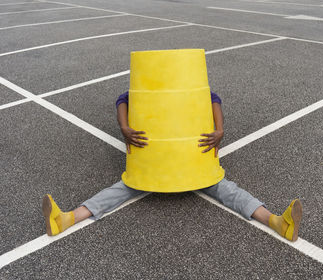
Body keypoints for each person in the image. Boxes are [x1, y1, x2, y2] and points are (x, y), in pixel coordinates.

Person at [42, 91, 302, 241]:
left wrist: (219, 129)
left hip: (191, 163)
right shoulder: (150, 90)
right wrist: (124, 128)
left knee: (227, 190)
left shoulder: (189, 86)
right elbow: (122, 98)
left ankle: (278, 222)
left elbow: (214, 98)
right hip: (154, 165)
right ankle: (66, 219)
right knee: (121, 188)